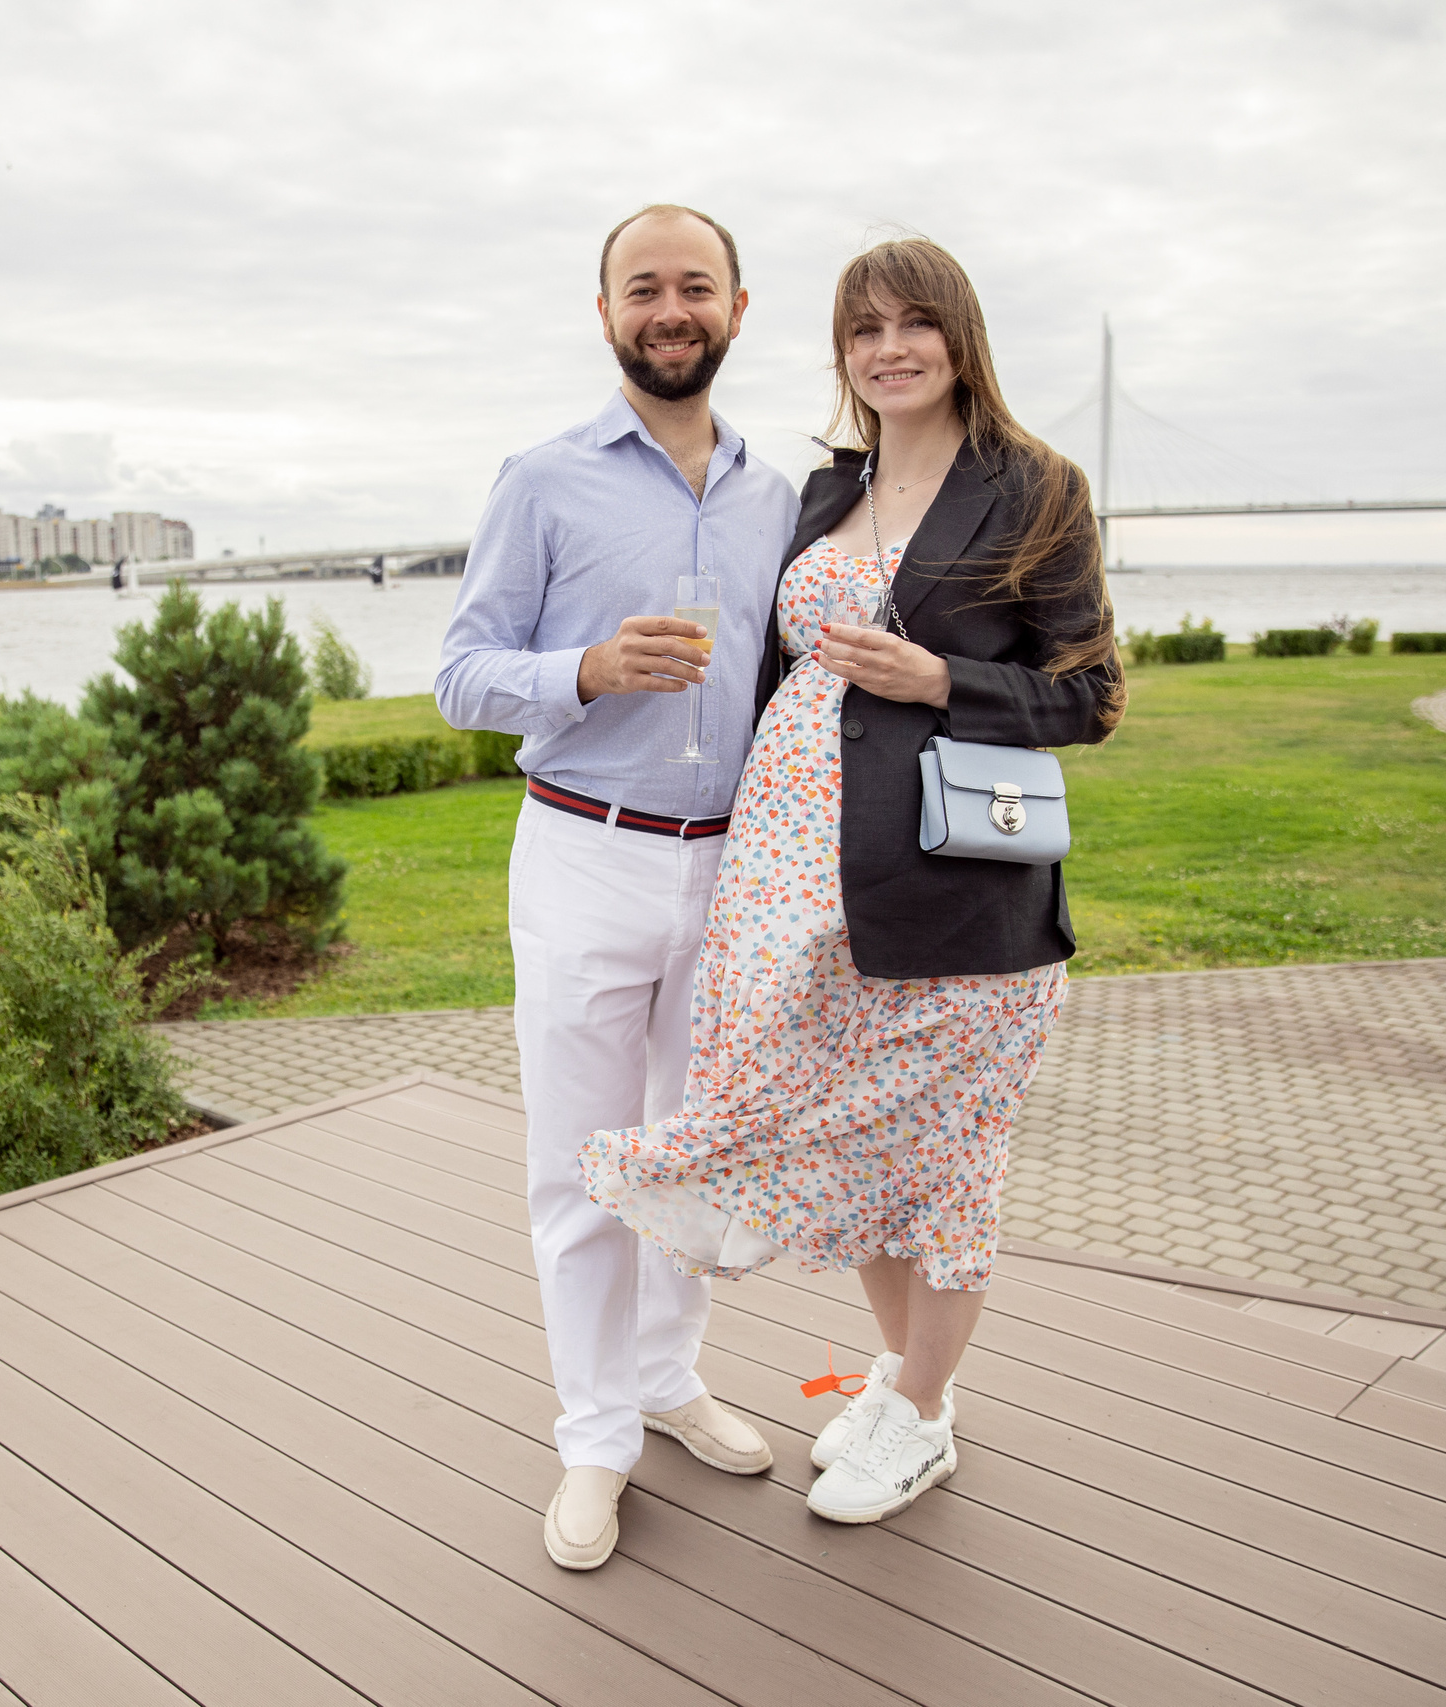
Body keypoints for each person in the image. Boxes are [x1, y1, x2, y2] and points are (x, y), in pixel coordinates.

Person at [581, 235, 1124, 1526]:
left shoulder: (1036, 488)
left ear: (959, 335)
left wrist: (944, 681)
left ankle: (921, 1417)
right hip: (792, 873)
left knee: (944, 1154)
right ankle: (899, 1382)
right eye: (863, 328)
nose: (889, 348)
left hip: (951, 879)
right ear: (841, 353)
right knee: (866, 1145)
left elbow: (1092, 697)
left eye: (912, 323)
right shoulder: (830, 490)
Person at [436, 204, 801, 1572]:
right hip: (585, 848)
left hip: (734, 869)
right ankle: (594, 1437)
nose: (669, 308)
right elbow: (463, 674)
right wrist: (581, 671)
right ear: (606, 315)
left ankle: (664, 1378)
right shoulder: (540, 481)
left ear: (737, 309)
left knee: (692, 1156)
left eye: (693, 286)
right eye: (642, 288)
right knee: (585, 1170)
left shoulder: (784, 495)